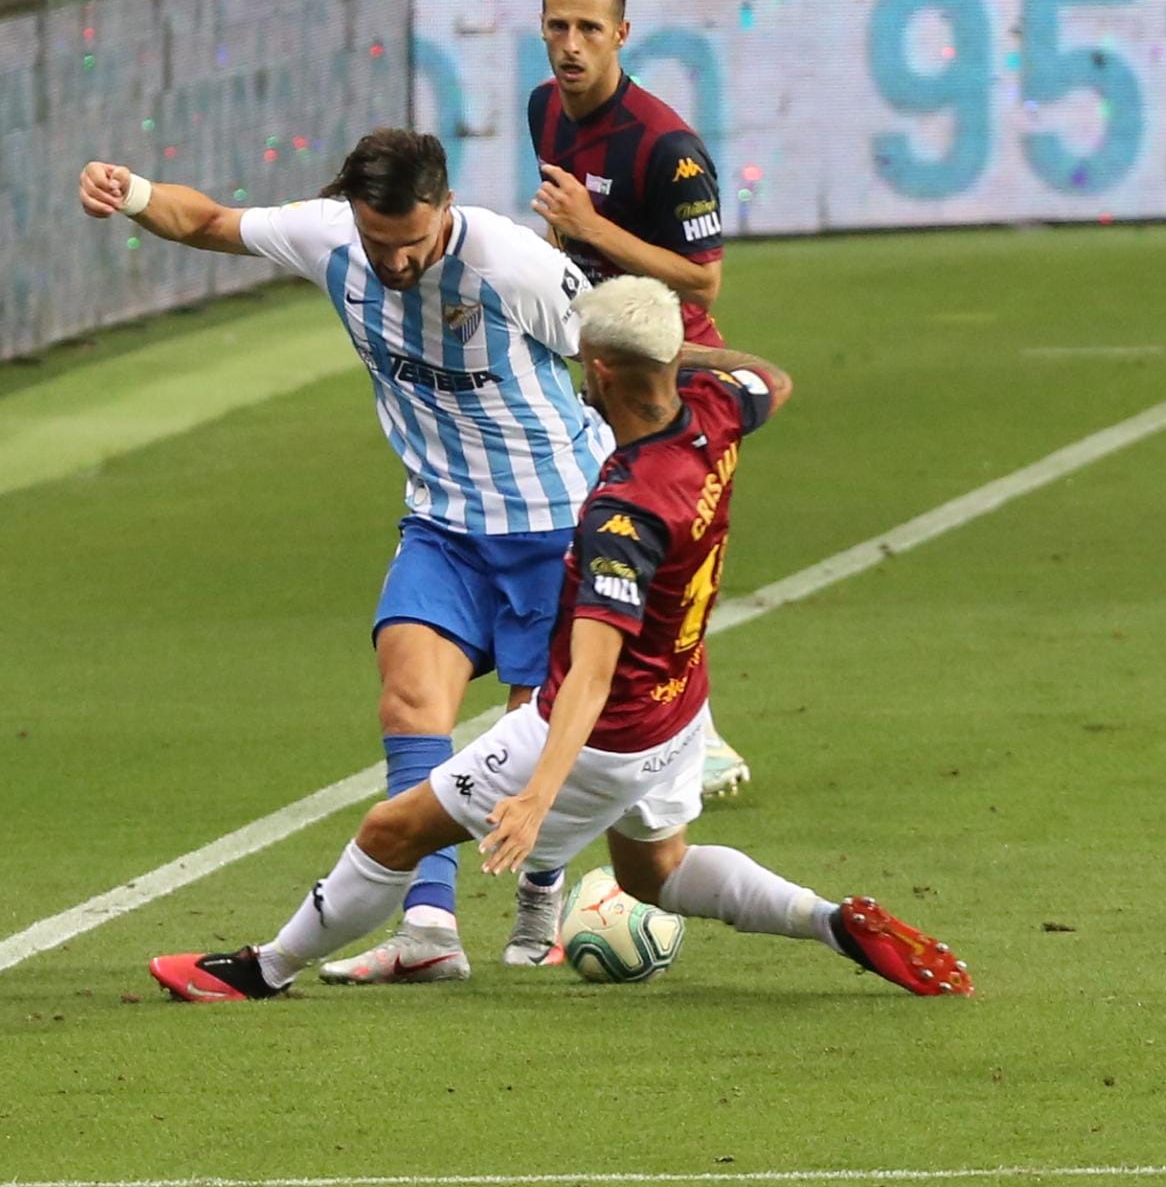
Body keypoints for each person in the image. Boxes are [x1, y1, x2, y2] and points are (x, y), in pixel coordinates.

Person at [149, 277, 974, 1005]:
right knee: (657, 873)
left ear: (603, 370)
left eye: (583, 356)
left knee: (389, 832)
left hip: (602, 736)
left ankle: (263, 971)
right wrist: (675, 351)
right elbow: (774, 378)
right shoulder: (717, 413)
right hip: (681, 709)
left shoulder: (625, 509)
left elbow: (590, 673)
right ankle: (831, 923)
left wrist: (540, 792)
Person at [79, 128, 613, 981]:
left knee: (526, 741)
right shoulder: (331, 237)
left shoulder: (511, 265)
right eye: (379, 243)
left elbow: (616, 346)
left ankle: (541, 890)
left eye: (412, 243)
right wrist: (134, 191)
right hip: (441, 525)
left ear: (444, 208)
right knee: (409, 700)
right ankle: (430, 927)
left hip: (558, 524)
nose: (395, 263)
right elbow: (211, 222)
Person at [528, 0, 750, 799]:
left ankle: (696, 727)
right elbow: (562, 231)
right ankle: (604, 714)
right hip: (597, 361)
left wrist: (593, 226)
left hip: (672, 375)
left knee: (655, 550)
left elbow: (703, 279)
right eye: (558, 25)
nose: (572, 44)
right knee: (592, 542)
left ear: (622, 32)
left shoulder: (668, 147)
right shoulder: (544, 109)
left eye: (589, 27)